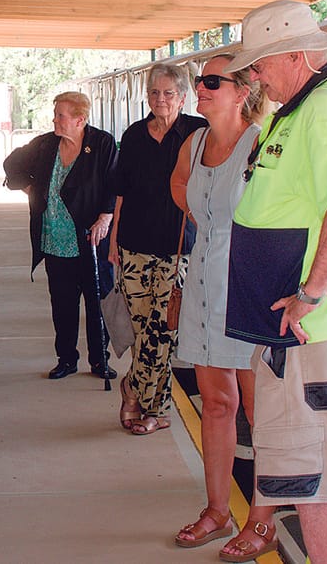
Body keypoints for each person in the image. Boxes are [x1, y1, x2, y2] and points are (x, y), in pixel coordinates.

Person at [220, 0, 327, 564]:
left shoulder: (323, 111)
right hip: (305, 333)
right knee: (318, 482)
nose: (254, 74)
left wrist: (310, 294)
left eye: (261, 63)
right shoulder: (301, 110)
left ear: (295, 56)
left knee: (312, 490)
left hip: (310, 333)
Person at [168, 56, 265, 548]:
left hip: (247, 285)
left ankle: (261, 519)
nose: (199, 89)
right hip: (205, 278)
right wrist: (203, 216)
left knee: (257, 406)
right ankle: (217, 510)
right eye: (198, 81)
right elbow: (179, 183)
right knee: (216, 402)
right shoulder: (196, 141)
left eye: (210, 82)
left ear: (242, 90)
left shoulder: (260, 143)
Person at [108, 64, 207, 435]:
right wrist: (115, 239)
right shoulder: (134, 135)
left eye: (168, 93)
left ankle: (148, 401)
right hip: (134, 244)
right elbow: (121, 192)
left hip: (178, 248)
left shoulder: (199, 133)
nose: (160, 100)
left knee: (164, 330)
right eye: (154, 93)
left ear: (183, 97)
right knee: (142, 326)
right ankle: (142, 396)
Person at [3, 91, 118, 380]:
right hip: (54, 239)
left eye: (61, 116)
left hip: (90, 240)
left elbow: (115, 183)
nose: (55, 120)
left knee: (97, 302)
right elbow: (12, 164)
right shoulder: (45, 144)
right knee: (63, 304)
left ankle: (99, 360)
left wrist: (106, 216)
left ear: (80, 119)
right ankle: (66, 359)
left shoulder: (101, 143)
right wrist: (31, 190)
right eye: (55, 114)